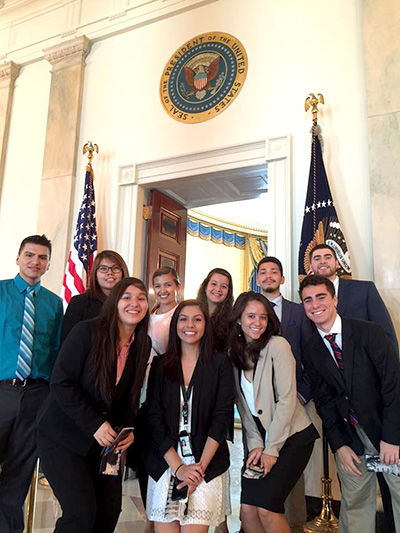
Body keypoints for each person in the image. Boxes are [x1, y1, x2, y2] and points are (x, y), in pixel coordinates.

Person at [37, 277, 151, 532]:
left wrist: (129, 430)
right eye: (127, 297)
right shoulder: (87, 331)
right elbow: (61, 382)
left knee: (110, 512)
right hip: (62, 436)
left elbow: (130, 395)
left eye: (141, 298)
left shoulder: (143, 343)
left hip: (104, 445)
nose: (135, 303)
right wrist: (95, 424)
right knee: (80, 513)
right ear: (114, 302)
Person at [299, 275, 400, 533]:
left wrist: (392, 438)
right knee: (355, 504)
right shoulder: (311, 349)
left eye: (321, 297)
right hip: (350, 437)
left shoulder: (370, 332)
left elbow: (393, 386)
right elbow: (325, 403)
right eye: (307, 300)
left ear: (334, 299)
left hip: (388, 430)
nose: (315, 305)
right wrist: (340, 445)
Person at [229, 291, 318, 533]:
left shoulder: (278, 345)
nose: (257, 322)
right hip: (262, 437)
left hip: (292, 438)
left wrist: (271, 449)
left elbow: (288, 400)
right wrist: (256, 443)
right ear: (238, 319)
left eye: (263, 317)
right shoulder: (235, 352)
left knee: (268, 509)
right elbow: (244, 407)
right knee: (247, 510)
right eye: (250, 316)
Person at [145, 299, 235, 532]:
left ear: (206, 324)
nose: (190, 325)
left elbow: (222, 417)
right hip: (167, 462)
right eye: (183, 319)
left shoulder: (219, 363)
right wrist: (178, 468)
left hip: (205, 465)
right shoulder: (161, 365)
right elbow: (153, 417)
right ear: (175, 324)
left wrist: (198, 469)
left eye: (197, 319)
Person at [0, 234, 63, 532]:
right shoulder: (0, 292)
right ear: (18, 258)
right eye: (29, 255)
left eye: (42, 257)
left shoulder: (54, 303)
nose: (35, 261)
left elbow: (54, 351)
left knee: (18, 475)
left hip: (36, 396)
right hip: (1, 391)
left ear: (48, 263)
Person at [256, 257, 313, 533]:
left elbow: (311, 356)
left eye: (273, 272)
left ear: (282, 279)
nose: (268, 276)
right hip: (260, 406)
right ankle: (263, 517)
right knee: (260, 458)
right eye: (263, 272)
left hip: (294, 402)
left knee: (291, 468)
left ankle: (296, 523)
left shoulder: (299, 312)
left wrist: (301, 395)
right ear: (257, 279)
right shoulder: (247, 310)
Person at [309, 243, 398, 355]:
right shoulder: (308, 302)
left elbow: (385, 332)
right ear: (311, 267)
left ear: (337, 263)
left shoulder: (364, 290)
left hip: (367, 364)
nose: (322, 261)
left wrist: (392, 368)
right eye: (317, 258)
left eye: (328, 257)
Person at [61, 250, 129, 343]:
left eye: (115, 268)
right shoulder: (79, 302)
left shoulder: (129, 304)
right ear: (95, 274)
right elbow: (66, 342)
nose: (110, 272)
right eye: (103, 268)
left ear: (123, 273)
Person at [197, 268, 234, 352]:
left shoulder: (232, 319)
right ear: (206, 286)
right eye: (214, 284)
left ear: (229, 291)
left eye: (224, 286)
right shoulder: (192, 310)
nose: (218, 289)